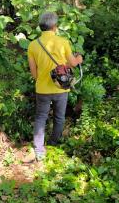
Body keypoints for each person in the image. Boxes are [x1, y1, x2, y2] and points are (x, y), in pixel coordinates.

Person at [27, 12, 83, 161]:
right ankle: (52, 144)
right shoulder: (63, 41)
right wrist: (79, 59)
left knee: (40, 117)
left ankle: (39, 151)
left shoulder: (33, 45)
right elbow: (72, 63)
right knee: (59, 117)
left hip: (42, 89)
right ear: (54, 26)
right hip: (60, 88)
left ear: (41, 27)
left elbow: (34, 74)